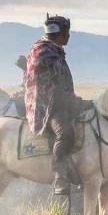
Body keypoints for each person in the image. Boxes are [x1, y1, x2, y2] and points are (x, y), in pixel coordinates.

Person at [24, 13, 93, 196]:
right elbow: (55, 93)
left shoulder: (51, 50)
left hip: (58, 102)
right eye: (67, 32)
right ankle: (59, 177)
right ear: (61, 33)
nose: (69, 35)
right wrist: (79, 104)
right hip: (48, 107)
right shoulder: (46, 54)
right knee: (65, 132)